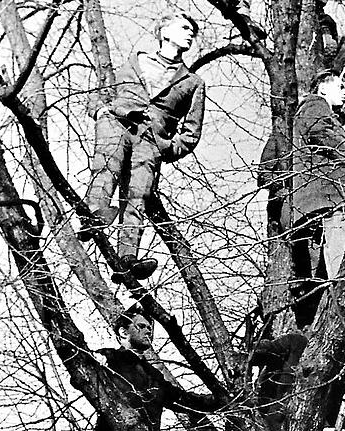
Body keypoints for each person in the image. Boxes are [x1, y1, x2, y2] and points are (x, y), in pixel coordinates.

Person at [81, 13, 206, 283]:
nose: (190, 34)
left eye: (193, 32)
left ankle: (127, 259)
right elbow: (101, 92)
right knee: (106, 167)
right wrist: (100, 111)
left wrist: (165, 148)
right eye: (184, 27)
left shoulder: (194, 82)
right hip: (118, 122)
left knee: (137, 196)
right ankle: (93, 215)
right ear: (164, 31)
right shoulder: (134, 61)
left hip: (151, 141)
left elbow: (191, 133)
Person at [289, 69, 345, 328]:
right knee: (342, 270)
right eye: (340, 86)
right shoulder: (314, 106)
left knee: (320, 281)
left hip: (319, 204)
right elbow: (322, 132)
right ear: (322, 89)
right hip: (329, 200)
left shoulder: (321, 112)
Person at [95, 307, 217, 430]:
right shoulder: (109, 358)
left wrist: (221, 399)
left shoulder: (154, 375)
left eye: (149, 328)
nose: (148, 331)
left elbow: (184, 400)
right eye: (141, 326)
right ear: (124, 332)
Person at [249, 331, 309, 431]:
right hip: (276, 404)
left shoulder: (292, 341)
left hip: (289, 398)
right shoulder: (268, 372)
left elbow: (299, 341)